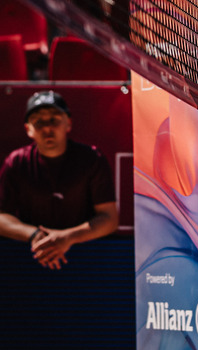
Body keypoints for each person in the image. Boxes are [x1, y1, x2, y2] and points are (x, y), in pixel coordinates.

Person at [0, 91, 119, 270]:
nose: (48, 128)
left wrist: (67, 237)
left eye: (54, 120)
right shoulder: (16, 162)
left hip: (89, 257)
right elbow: (1, 218)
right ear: (28, 129)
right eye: (39, 122)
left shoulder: (92, 159)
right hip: (29, 258)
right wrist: (36, 236)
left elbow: (109, 219)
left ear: (68, 123)